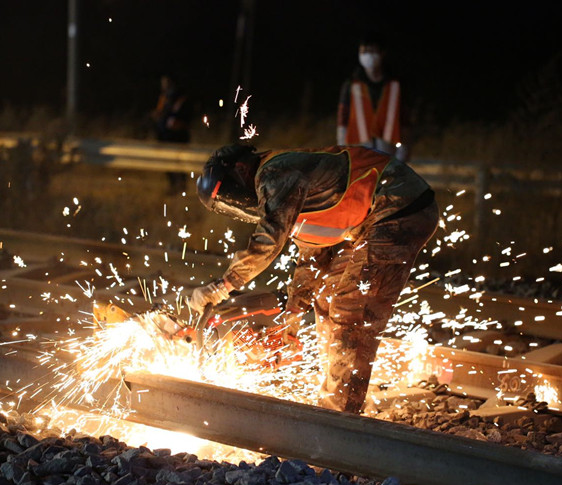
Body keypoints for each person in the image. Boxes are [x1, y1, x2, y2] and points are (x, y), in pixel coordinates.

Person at [188, 144, 439, 414]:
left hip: (400, 207)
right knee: (327, 296)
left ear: (240, 170)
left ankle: (339, 416)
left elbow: (268, 240)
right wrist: (293, 315)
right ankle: (334, 395)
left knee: (350, 308)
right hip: (370, 222)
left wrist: (222, 286)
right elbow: (312, 255)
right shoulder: (292, 194)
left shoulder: (275, 172)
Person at [337, 33, 409, 162]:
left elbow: (404, 119)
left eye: (372, 51)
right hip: (358, 149)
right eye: (364, 51)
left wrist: (403, 148)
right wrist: (342, 148)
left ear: (382, 53)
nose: (368, 55)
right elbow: (343, 119)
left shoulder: (395, 85)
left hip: (388, 149)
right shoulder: (351, 85)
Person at [153, 74, 192, 192]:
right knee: (168, 161)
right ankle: (174, 185)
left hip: (178, 134)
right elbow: (161, 114)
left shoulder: (180, 98)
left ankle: (181, 185)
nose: (164, 85)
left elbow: (182, 116)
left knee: (178, 160)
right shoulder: (164, 97)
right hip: (166, 134)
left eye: (167, 83)